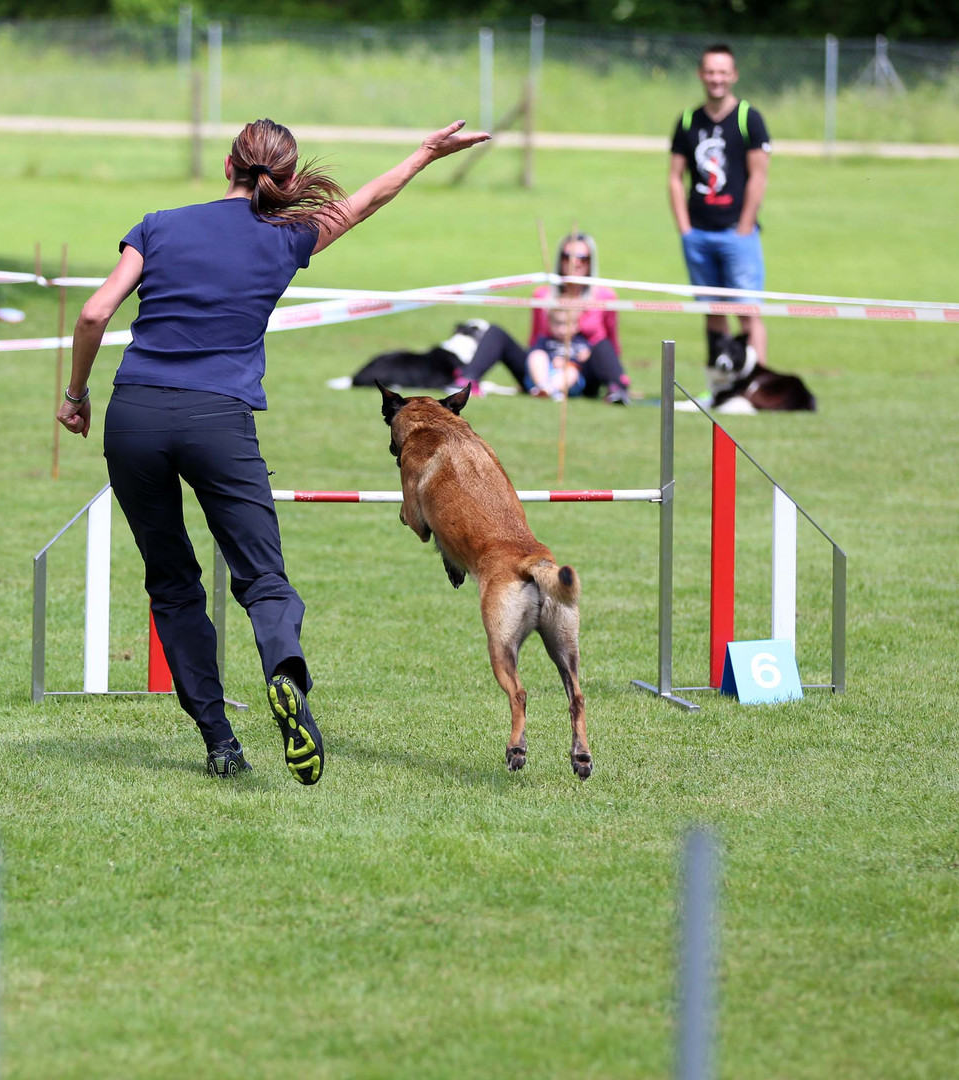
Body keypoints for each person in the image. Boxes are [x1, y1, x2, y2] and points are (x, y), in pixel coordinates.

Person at [56, 117, 488, 783]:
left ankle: (219, 742)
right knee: (262, 578)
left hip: (135, 413)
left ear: (227, 164)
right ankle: (283, 671)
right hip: (217, 421)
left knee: (172, 583)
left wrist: (76, 394)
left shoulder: (158, 225)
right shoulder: (285, 237)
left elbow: (92, 314)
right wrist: (425, 153)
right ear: (285, 183)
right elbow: (368, 197)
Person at [668, 43, 773, 366]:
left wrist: (744, 227)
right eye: (711, 72)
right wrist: (685, 229)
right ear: (701, 75)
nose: (716, 79)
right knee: (712, 313)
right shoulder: (688, 120)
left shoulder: (749, 118)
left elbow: (759, 176)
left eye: (723, 72)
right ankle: (719, 383)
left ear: (734, 75)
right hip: (698, 235)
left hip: (736, 235)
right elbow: (675, 177)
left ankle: (756, 383)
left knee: (747, 313)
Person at [456, 231, 634, 405]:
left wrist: (602, 365)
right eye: (567, 256)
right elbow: (535, 338)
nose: (575, 263)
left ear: (590, 262)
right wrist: (543, 364)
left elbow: (611, 343)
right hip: (544, 363)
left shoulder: (605, 297)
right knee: (498, 334)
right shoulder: (543, 295)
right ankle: (467, 382)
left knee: (601, 345)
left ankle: (617, 388)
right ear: (560, 260)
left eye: (582, 257)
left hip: (583, 369)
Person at [525, 306, 590, 400]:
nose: (561, 329)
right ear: (550, 324)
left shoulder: (581, 343)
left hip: (569, 380)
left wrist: (571, 361)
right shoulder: (545, 341)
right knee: (537, 355)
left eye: (566, 324)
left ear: (576, 325)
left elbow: (585, 364)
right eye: (557, 324)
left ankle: (551, 389)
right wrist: (552, 361)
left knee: (572, 371)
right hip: (545, 374)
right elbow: (531, 357)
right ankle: (542, 386)